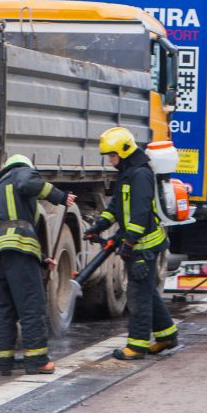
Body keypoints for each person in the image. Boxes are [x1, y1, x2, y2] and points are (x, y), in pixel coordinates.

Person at [84, 127, 178, 360]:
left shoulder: (141, 175)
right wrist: (99, 226)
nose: (111, 160)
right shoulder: (128, 173)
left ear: (125, 151)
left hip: (144, 246)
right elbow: (116, 206)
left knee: (137, 295)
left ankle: (136, 346)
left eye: (113, 155)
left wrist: (129, 243)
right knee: (146, 291)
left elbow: (140, 212)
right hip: (138, 244)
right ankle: (167, 335)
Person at [0, 154, 76, 376]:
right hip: (18, 253)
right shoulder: (20, 173)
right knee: (31, 306)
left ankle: (4, 363)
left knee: (3, 309)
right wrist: (60, 196)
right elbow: (28, 183)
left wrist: (43, 257)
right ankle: (37, 361)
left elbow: (6, 228)